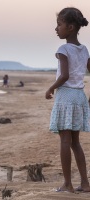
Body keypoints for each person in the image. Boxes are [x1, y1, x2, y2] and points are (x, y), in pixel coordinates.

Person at [45, 7, 90, 193]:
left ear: (70, 27)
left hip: (66, 96)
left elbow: (64, 75)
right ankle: (86, 184)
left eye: (59, 25)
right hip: (79, 96)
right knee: (75, 142)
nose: (56, 29)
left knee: (65, 141)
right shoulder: (84, 49)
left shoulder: (63, 49)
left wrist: (50, 88)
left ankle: (68, 184)